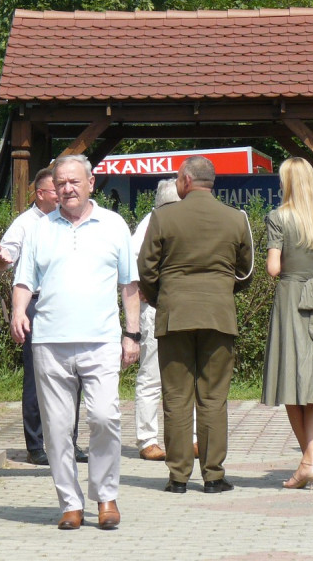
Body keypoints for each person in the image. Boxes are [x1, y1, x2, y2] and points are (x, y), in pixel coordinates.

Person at [10, 155, 140, 530]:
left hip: (101, 340)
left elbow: (129, 284)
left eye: (74, 182)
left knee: (105, 417)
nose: (67, 188)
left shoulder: (114, 225)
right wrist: (19, 311)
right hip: (50, 340)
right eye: (61, 183)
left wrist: (132, 333)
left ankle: (106, 496)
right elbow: (24, 279)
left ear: (91, 183)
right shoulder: (39, 228)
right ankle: (70, 502)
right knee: (57, 427)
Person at [138, 156, 253, 495]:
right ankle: (214, 476)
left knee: (176, 396)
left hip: (175, 313)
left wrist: (163, 297)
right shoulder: (236, 218)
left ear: (185, 180)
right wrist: (223, 291)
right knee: (213, 397)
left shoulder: (162, 217)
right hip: (219, 314)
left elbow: (146, 269)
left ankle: (177, 477)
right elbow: (245, 271)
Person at [0, 169, 88, 467]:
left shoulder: (69, 221)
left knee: (75, 376)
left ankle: (69, 442)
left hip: (70, 305)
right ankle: (36, 444)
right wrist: (1, 260)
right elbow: (1, 258)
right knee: (37, 377)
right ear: (40, 194)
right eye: (55, 190)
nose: (62, 194)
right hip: (36, 304)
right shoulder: (26, 224)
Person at [261, 157, 313, 489]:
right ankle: (310, 459)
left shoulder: (278, 218)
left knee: (292, 379)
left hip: (291, 299)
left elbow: (272, 268)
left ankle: (309, 461)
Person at [130, 178, 181, 462]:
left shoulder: (189, 220)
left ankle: (192, 438)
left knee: (191, 375)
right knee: (151, 376)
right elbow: (134, 267)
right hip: (156, 308)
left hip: (187, 308)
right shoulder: (149, 224)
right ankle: (147, 439)